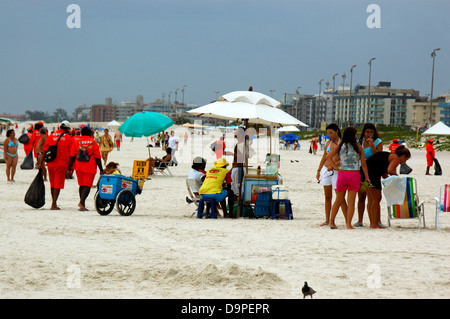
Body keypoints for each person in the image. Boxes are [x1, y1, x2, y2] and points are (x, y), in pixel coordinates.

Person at [326, 127, 370, 229]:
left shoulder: (340, 146)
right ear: (353, 135)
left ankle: (331, 221)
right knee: (351, 201)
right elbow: (363, 164)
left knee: (338, 199)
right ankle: (348, 224)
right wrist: (367, 177)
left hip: (342, 174)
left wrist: (336, 167)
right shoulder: (359, 147)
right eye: (355, 134)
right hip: (354, 175)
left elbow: (327, 157)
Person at [365, 146, 411, 228]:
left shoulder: (388, 156)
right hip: (372, 176)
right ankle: (374, 224)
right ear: (403, 156)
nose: (404, 162)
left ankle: (375, 222)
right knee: (376, 199)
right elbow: (390, 170)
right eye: (406, 160)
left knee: (371, 199)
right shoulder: (396, 158)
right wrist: (398, 178)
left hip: (365, 175)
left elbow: (385, 173)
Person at [316, 123, 347, 226]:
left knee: (340, 197)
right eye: (328, 133)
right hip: (326, 169)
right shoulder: (328, 143)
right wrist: (319, 170)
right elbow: (324, 157)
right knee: (327, 196)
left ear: (337, 131)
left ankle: (347, 219)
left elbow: (343, 158)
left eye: (331, 133)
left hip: (337, 171)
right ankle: (327, 219)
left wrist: (334, 165)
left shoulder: (342, 143)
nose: (329, 135)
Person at [67, 126, 103, 211]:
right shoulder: (94, 143)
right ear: (91, 133)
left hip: (78, 166)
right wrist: (101, 169)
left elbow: (72, 156)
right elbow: (98, 158)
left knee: (82, 185)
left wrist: (69, 169)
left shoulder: (76, 141)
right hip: (89, 167)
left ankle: (82, 203)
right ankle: (82, 202)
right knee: (87, 185)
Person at [355, 123, 383, 227]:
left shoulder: (377, 142)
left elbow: (378, 156)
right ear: (364, 132)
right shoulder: (360, 141)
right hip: (362, 171)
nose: (369, 134)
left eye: (371, 132)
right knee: (361, 196)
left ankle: (376, 220)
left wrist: (371, 144)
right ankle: (360, 220)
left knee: (374, 198)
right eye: (367, 132)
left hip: (373, 172)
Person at [43, 120, 74, 210]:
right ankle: (54, 204)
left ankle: (53, 202)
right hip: (61, 163)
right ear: (67, 129)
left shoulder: (51, 136)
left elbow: (45, 150)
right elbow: (72, 153)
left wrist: (41, 162)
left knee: (52, 183)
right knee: (58, 184)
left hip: (50, 163)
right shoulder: (68, 138)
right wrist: (71, 168)